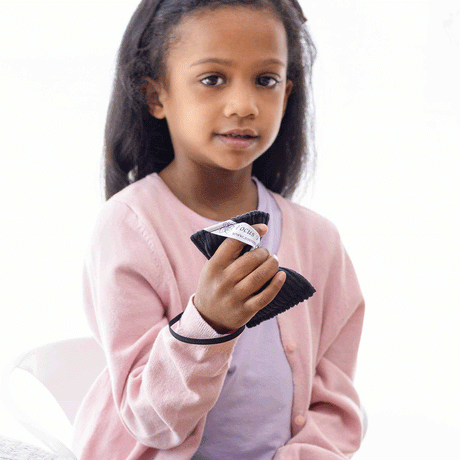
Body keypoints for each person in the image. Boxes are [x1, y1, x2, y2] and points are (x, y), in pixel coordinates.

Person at [72, 0, 366, 459]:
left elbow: (336, 405)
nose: (244, 105)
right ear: (156, 96)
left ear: (286, 95)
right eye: (213, 79)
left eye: (265, 80)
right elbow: (149, 419)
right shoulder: (128, 226)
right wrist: (206, 324)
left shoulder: (319, 240)